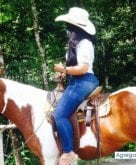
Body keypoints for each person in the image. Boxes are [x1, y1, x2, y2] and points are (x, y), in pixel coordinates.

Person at [53, 7, 99, 165]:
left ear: (75, 28)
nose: (67, 29)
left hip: (84, 80)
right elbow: (76, 68)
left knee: (59, 114)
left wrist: (64, 69)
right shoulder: (76, 42)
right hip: (78, 80)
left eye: (69, 26)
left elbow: (83, 69)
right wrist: (65, 73)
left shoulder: (84, 43)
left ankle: (68, 152)